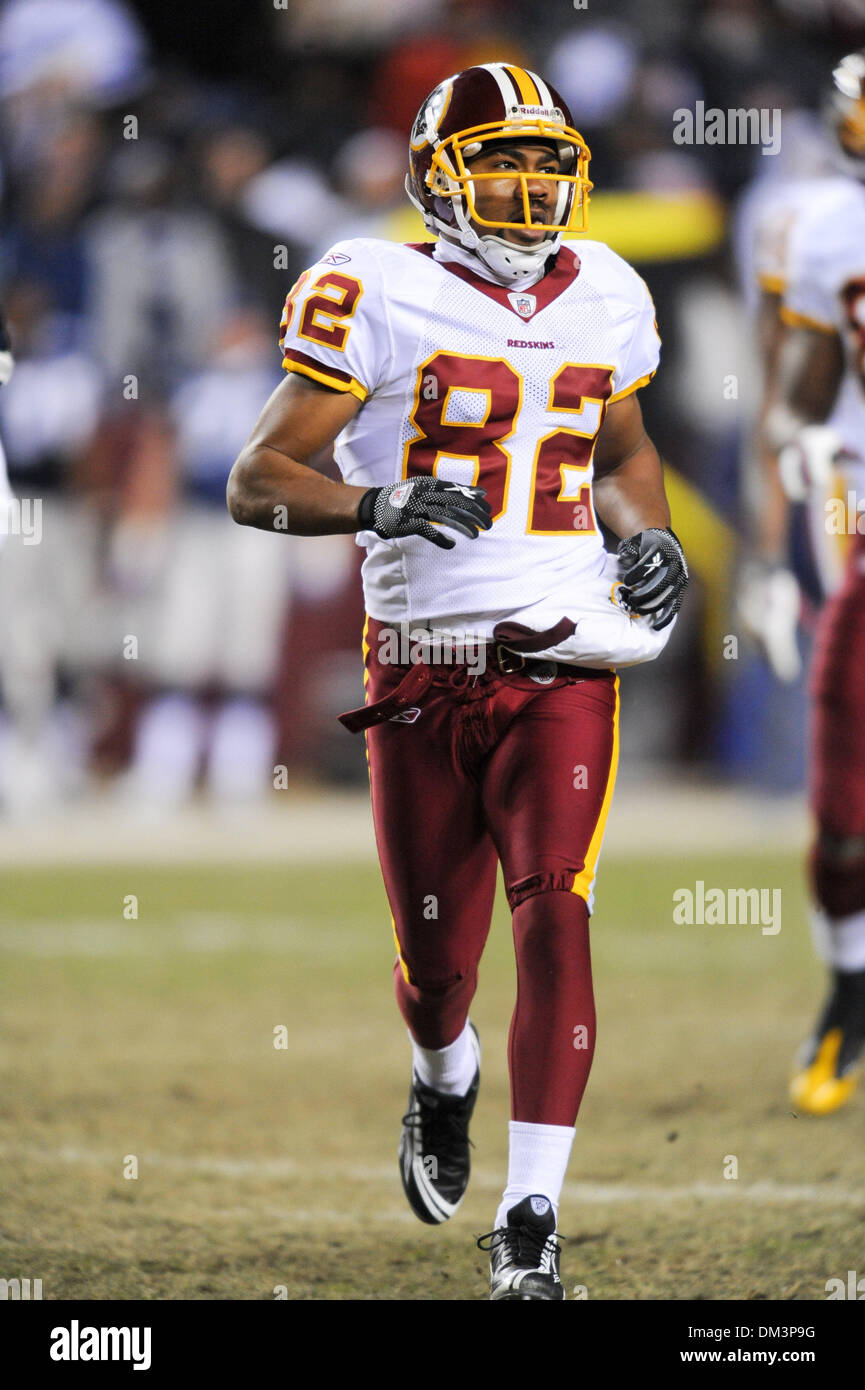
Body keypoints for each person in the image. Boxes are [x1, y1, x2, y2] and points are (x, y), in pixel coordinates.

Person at [227, 62, 688, 1300]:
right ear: (438, 174)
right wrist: (374, 501)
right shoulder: (370, 284)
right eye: (503, 160)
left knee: (558, 905)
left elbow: (626, 453)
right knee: (438, 973)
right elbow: (257, 479)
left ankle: (530, 1219)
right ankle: (443, 1076)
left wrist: (650, 536)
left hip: (561, 662)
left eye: (548, 161)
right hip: (419, 667)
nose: (532, 184)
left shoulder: (606, 291)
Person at [766, 51, 865, 1117]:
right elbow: (803, 391)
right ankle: (848, 987)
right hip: (862, 523)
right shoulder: (829, 230)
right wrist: (796, 442)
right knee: (843, 808)